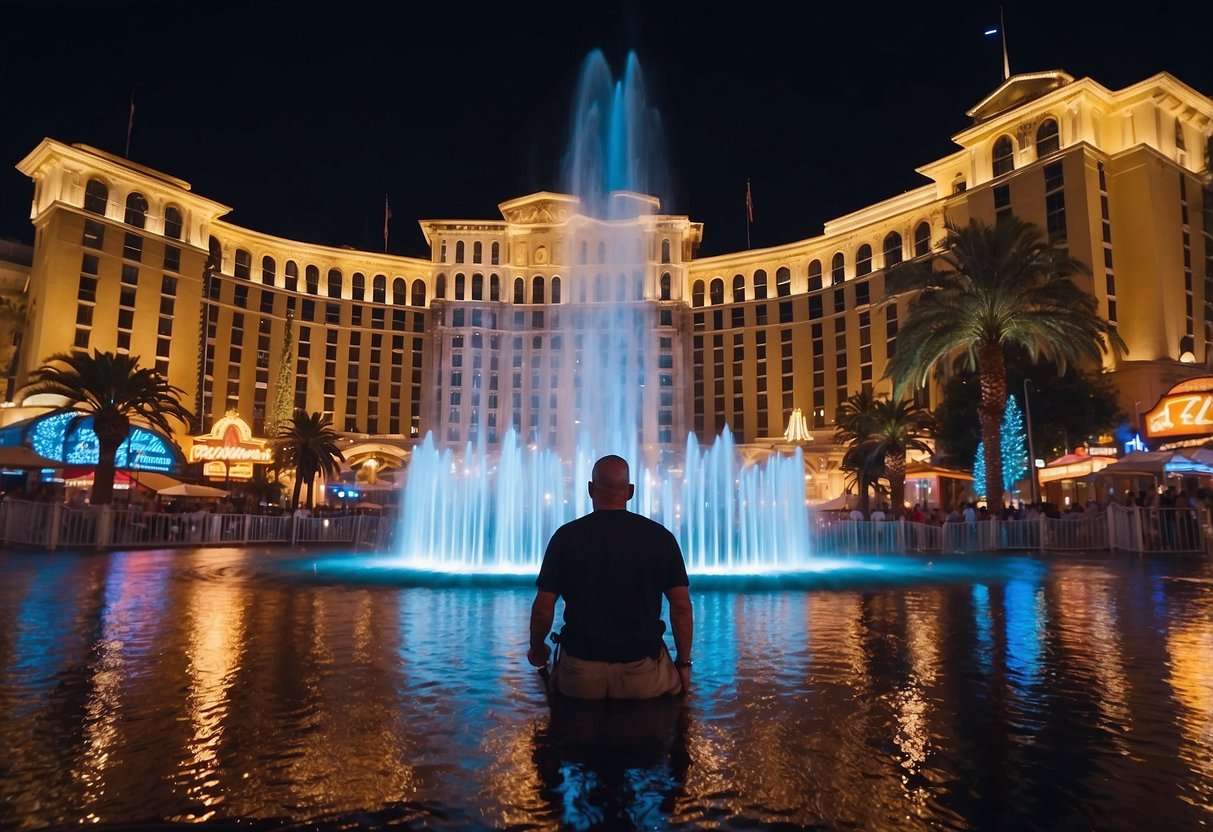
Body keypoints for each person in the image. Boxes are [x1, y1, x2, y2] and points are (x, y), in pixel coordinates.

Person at [528, 455, 694, 700]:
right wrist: (683, 663)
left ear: (590, 489)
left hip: (580, 671)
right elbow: (680, 607)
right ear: (630, 492)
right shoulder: (660, 538)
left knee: (567, 730)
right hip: (643, 670)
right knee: (664, 723)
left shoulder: (565, 537)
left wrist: (537, 648)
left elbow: (543, 608)